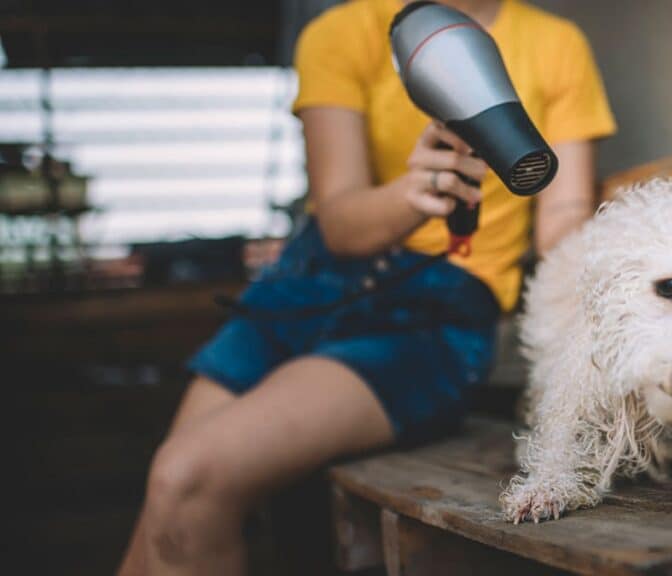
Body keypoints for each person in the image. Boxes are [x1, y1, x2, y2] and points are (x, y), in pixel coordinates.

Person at [117, 0, 615, 573]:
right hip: (304, 288)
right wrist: (413, 195)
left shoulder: (556, 45)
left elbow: (563, 221)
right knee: (167, 502)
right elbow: (340, 225)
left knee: (188, 478)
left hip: (430, 319)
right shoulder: (342, 32)